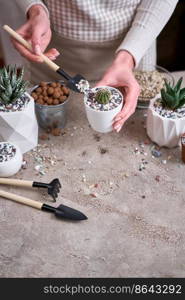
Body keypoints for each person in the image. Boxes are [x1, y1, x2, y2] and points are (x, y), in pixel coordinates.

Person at [13, 0, 178, 132]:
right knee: (44, 118)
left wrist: (127, 58)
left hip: (136, 39)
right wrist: (35, 9)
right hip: (54, 42)